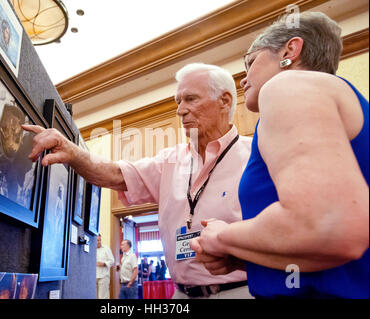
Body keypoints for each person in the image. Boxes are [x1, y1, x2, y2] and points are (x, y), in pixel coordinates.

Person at [22, 62, 253, 299]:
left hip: (240, 291)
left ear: (224, 101)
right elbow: (115, 174)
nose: (180, 110)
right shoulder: (170, 160)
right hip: (181, 294)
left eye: (190, 99)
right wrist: (71, 151)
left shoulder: (258, 154)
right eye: (178, 102)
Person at [190, 11, 369, 299]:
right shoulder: (343, 103)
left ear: (290, 50)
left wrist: (221, 237)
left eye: (250, 63)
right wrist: (243, 254)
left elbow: (330, 226)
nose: (243, 80)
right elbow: (327, 247)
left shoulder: (288, 84)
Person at [96, 234, 115, 299]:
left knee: (102, 297)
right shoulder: (91, 248)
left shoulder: (106, 249)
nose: (99, 242)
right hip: (93, 277)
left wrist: (104, 264)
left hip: (103, 276)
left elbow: (112, 261)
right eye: (97, 240)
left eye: (100, 240)